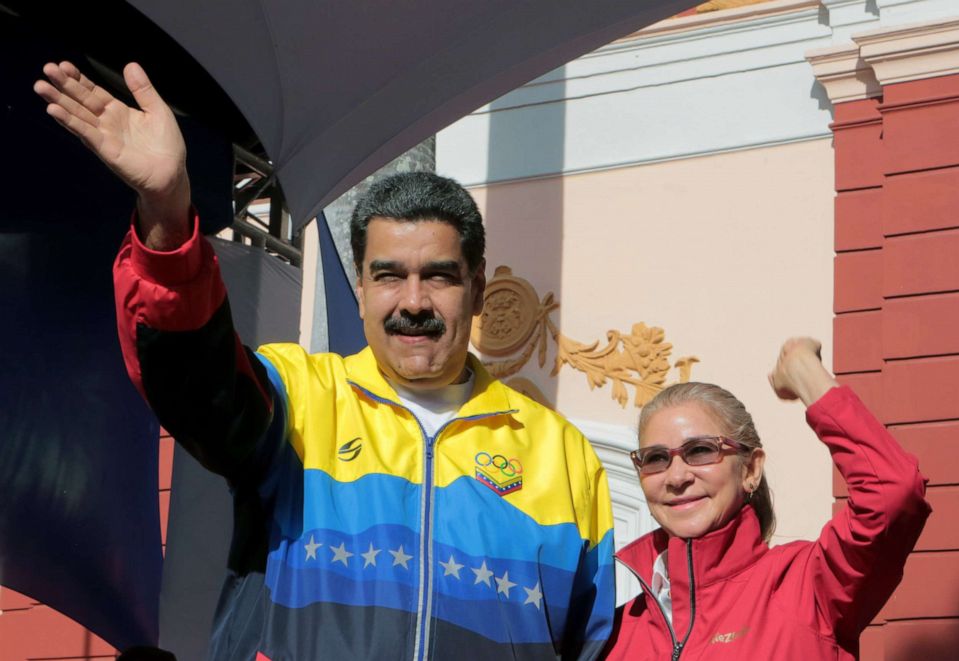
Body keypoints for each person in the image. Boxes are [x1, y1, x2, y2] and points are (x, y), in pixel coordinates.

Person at [34, 61, 615, 660]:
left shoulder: (564, 457)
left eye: (438, 277)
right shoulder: (301, 397)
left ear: (478, 289)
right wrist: (168, 215)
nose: (413, 302)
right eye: (389, 276)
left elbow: (595, 646)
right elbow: (193, 380)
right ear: (360, 288)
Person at [602, 338, 930, 660]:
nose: (676, 477)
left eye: (700, 450)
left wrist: (805, 372)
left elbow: (891, 491)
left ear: (751, 469)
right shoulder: (611, 634)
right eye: (656, 458)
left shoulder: (809, 588)